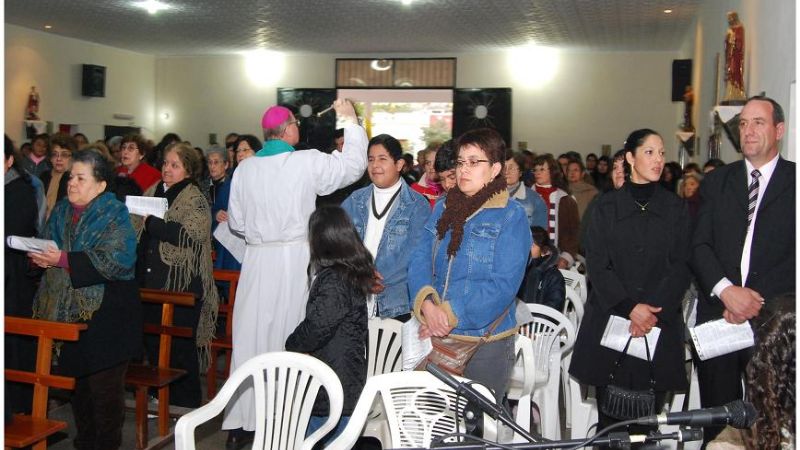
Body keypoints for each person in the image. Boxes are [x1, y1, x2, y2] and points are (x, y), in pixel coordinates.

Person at [222, 99, 367, 448]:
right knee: (291, 337)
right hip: (294, 262)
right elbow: (352, 166)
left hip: (257, 264)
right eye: (295, 125)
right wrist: (349, 119)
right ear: (288, 130)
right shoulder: (304, 162)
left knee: (253, 339)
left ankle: (247, 423)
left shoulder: (244, 169)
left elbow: (238, 223)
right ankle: (287, 420)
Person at [569, 129, 691, 446]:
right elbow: (597, 262)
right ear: (630, 159)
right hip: (614, 319)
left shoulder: (675, 208)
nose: (658, 159)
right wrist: (629, 308)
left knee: (649, 422)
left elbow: (681, 265)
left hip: (657, 322)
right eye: (649, 152)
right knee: (612, 424)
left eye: (662, 153)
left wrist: (649, 310)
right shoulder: (606, 206)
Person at [691, 96, 795, 444]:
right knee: (717, 419)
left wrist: (753, 301)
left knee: (768, 420)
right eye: (744, 123)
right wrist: (726, 291)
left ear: (779, 130)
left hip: (773, 324)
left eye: (758, 123)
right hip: (719, 316)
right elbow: (699, 244)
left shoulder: (795, 183)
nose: (748, 131)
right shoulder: (717, 182)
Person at [407, 128, 531, 402]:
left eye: (475, 162)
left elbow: (503, 286)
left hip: (485, 341)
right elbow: (420, 257)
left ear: (495, 168)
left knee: (476, 428)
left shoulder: (510, 216)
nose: (465, 169)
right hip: (437, 333)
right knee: (437, 424)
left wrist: (448, 315)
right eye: (461, 162)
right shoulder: (443, 207)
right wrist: (427, 304)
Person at [30, 149, 141, 450]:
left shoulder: (115, 213)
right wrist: (41, 258)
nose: (72, 183)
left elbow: (119, 260)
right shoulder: (63, 210)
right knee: (78, 388)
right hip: (69, 313)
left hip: (108, 316)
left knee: (104, 392)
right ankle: (84, 443)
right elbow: (48, 243)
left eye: (81, 178)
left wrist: (63, 258)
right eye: (70, 177)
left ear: (101, 184)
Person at [134, 142, 219, 409]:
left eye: (175, 165)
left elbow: (190, 236)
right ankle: (158, 396)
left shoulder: (196, 198)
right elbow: (136, 229)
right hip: (150, 280)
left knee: (180, 347)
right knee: (152, 342)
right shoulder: (152, 191)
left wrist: (152, 222)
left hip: (182, 284)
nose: (167, 169)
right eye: (165, 164)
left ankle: (186, 403)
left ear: (188, 170)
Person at [285, 206, 374, 445]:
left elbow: (317, 327)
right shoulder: (348, 272)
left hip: (335, 383)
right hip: (342, 377)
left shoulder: (335, 279)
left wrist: (291, 343)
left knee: (316, 440)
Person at [341, 134, 430, 320]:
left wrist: (376, 280)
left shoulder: (417, 205)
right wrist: (360, 273)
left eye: (382, 159)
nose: (375, 166)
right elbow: (338, 243)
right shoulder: (355, 200)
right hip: (353, 295)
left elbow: (416, 255)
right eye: (371, 159)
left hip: (395, 301)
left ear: (399, 164)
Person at [5, 135, 40, 419]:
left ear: (8, 161)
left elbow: (12, 233)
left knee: (13, 350)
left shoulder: (20, 190)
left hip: (12, 282)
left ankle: (17, 414)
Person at [532, 154, 579, 269]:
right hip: (529, 257)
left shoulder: (566, 200)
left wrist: (566, 258)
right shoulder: (527, 196)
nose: (537, 173)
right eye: (535, 170)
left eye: (542, 169)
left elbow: (573, 234)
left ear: (552, 171)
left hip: (557, 260)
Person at [518, 226, 565, 311]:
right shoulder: (518, 271)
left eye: (532, 245)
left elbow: (554, 308)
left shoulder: (554, 276)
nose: (526, 248)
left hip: (542, 322)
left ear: (544, 251)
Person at [505, 151, 547, 229]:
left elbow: (540, 234)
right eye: (503, 168)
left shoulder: (534, 199)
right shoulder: (488, 197)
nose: (507, 172)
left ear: (520, 172)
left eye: (511, 168)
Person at [40, 133, 77, 219]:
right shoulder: (44, 176)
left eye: (64, 155)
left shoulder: (75, 179)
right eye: (54, 154)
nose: (59, 159)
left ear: (73, 157)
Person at [723, 11, 746, 103]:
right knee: (731, 73)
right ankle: (731, 93)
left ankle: (737, 93)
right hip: (731, 56)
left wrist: (733, 40)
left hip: (736, 56)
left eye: (731, 18)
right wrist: (728, 38)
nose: (730, 21)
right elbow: (726, 45)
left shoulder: (740, 28)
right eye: (729, 19)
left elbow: (739, 43)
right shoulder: (730, 30)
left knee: (735, 72)